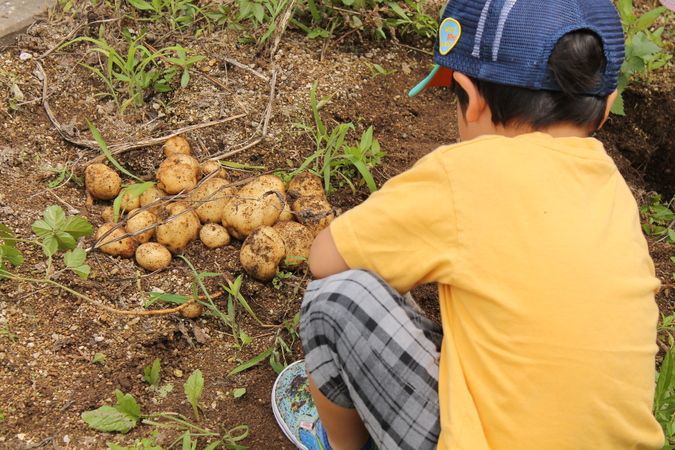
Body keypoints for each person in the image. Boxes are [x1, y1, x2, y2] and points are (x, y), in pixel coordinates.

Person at [272, 0, 665, 449]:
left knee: (335, 299)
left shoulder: (463, 174)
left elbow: (326, 259)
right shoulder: (613, 192)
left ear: (470, 97)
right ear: (607, 105)